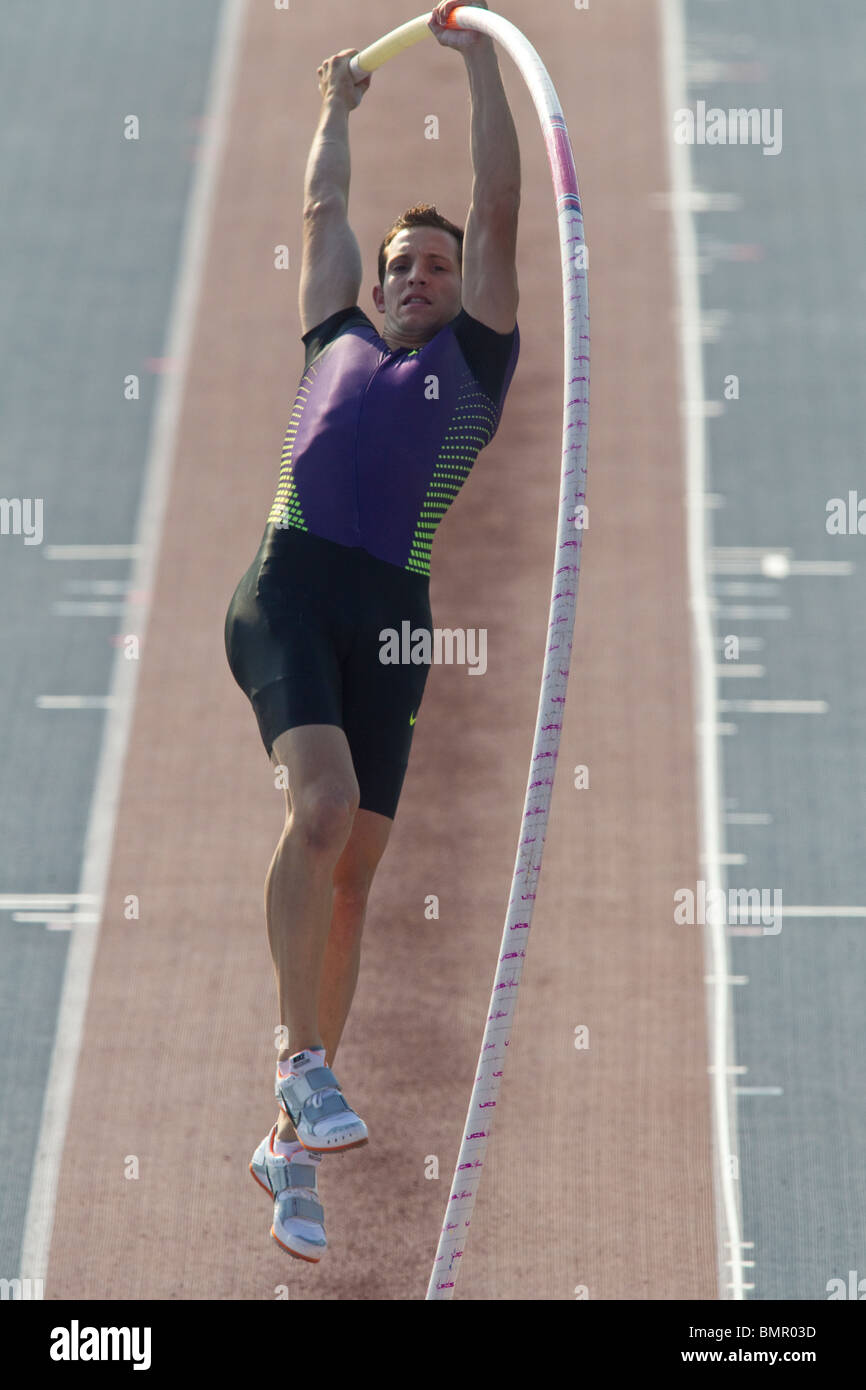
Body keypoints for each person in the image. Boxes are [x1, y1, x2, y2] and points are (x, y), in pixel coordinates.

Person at [224, 0, 521, 1262]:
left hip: (393, 616)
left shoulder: (478, 365)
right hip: (288, 586)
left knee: (352, 889)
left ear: (461, 292)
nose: (412, 276)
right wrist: (336, 108)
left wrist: (486, 70)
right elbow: (318, 215)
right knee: (325, 810)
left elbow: (499, 208)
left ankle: (288, 1145)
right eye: (401, 262)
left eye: (433, 267)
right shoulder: (332, 331)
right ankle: (300, 1064)